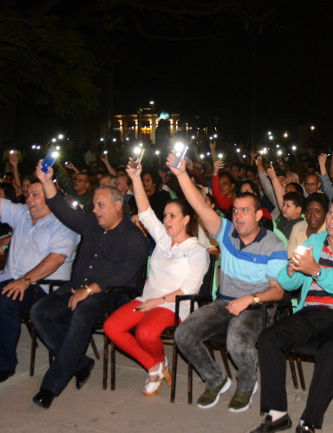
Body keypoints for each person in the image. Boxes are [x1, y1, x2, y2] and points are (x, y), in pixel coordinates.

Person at [168, 153, 287, 413]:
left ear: (258, 215)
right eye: (235, 210)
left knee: (236, 341)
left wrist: (250, 299)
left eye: (245, 211)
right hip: (224, 301)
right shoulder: (225, 232)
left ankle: (246, 384)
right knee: (183, 334)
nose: (238, 216)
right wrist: (180, 174)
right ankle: (216, 379)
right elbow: (199, 205)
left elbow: (277, 292)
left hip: (257, 308)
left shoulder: (274, 244)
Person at [30, 160, 149, 409]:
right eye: (94, 204)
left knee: (82, 314)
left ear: (118, 206)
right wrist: (46, 180)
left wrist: (90, 289)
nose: (94, 210)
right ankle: (80, 362)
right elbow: (62, 209)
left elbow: (125, 274)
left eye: (100, 205)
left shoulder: (133, 237)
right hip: (76, 289)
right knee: (39, 311)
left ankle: (51, 386)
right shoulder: (91, 225)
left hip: (108, 296)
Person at [250, 194, 333, 433]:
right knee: (268, 338)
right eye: (331, 214)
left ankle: (308, 421)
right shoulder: (314, 241)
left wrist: (316, 270)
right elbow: (287, 283)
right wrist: (293, 266)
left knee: (331, 351)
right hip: (310, 312)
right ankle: (276, 414)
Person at [0, 148, 78, 386]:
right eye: (28, 194)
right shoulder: (21, 213)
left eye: (35, 194)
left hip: (44, 287)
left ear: (49, 198)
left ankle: (4, 364)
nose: (28, 198)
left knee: (7, 301)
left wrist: (25, 280)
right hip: (9, 277)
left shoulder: (63, 223)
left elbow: (56, 259)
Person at [103, 161, 209, 397]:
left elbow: (189, 289)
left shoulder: (197, 250)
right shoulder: (162, 239)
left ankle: (155, 368)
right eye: (165, 215)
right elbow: (144, 213)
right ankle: (155, 365)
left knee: (145, 333)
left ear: (186, 219)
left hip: (175, 304)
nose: (167, 220)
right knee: (112, 326)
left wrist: (158, 302)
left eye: (173, 216)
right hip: (149, 299)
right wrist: (136, 177)